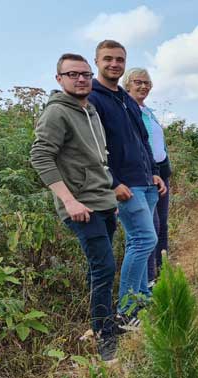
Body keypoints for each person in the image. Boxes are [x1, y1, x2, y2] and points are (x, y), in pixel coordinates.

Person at [30, 53, 119, 361]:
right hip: (81, 207)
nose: (81, 79)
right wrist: (69, 200)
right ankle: (105, 338)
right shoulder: (57, 113)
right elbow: (40, 156)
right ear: (59, 79)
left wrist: (109, 196)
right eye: (72, 74)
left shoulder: (90, 109)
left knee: (103, 269)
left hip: (103, 201)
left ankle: (104, 323)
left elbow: (98, 159)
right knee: (104, 266)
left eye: (85, 74)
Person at [88, 40, 166, 326]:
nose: (114, 64)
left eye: (119, 59)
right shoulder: (94, 99)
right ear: (96, 61)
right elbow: (93, 147)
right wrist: (112, 181)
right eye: (108, 59)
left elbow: (143, 139)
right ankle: (128, 310)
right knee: (143, 239)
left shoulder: (125, 98)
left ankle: (142, 299)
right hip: (125, 186)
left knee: (146, 239)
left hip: (145, 181)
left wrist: (154, 171)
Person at [122, 68, 170, 284]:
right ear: (127, 84)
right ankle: (148, 280)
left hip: (159, 173)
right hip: (142, 177)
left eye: (147, 83)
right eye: (137, 82)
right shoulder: (126, 109)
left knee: (162, 224)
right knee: (148, 229)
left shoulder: (147, 111)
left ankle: (163, 268)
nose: (143, 86)